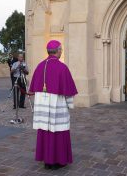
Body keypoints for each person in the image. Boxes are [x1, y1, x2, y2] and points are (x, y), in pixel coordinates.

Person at [29, 40, 78, 170]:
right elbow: (68, 92)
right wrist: (70, 105)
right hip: (58, 108)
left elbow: (34, 89)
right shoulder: (62, 67)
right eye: (60, 49)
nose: (61, 51)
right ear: (58, 51)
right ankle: (58, 161)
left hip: (42, 108)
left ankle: (47, 161)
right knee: (58, 132)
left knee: (46, 132)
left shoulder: (39, 66)